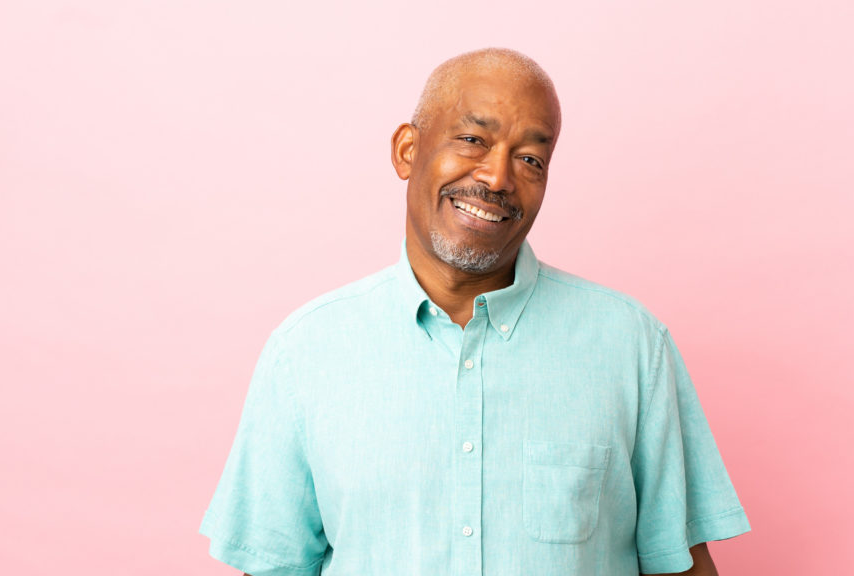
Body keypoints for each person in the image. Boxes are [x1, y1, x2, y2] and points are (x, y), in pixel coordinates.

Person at [199, 48, 749, 576]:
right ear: (407, 150)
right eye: (472, 139)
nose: (497, 178)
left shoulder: (632, 346)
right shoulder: (305, 353)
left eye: (530, 158)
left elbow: (681, 566)